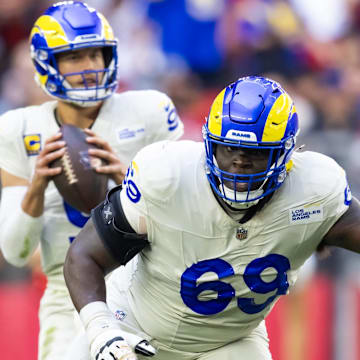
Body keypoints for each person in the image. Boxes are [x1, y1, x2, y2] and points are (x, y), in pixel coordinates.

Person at [63, 75, 360, 360]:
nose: (239, 162)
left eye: (254, 153)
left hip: (227, 345)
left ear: (284, 155)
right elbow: (84, 255)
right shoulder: (168, 177)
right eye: (229, 148)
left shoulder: (313, 190)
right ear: (209, 144)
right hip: (130, 326)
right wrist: (101, 330)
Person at [0, 2, 183, 360]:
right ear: (46, 63)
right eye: (75, 57)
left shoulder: (149, 111)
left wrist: (126, 177)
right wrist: (37, 186)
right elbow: (16, 251)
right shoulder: (17, 129)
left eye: (96, 55)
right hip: (67, 293)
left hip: (146, 284)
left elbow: (184, 216)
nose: (91, 68)